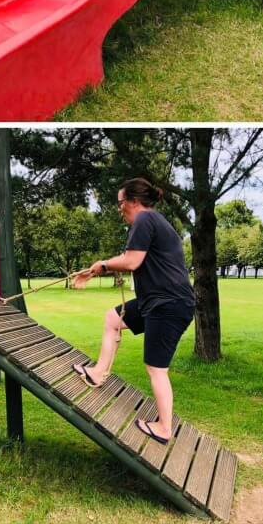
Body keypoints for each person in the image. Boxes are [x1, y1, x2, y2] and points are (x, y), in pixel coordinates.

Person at [70, 178, 194, 446]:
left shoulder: (145, 220)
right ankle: (99, 373)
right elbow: (133, 259)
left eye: (120, 202)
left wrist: (102, 265)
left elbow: (132, 260)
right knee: (112, 318)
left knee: (156, 368)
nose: (119, 208)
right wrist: (95, 270)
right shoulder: (150, 222)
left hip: (169, 304)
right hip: (156, 301)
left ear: (134, 201)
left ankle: (163, 427)